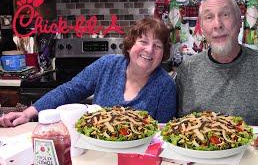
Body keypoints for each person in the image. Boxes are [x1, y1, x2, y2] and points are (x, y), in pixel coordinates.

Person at [0, 18, 177, 127]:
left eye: (157, 46)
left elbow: (161, 135)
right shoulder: (107, 65)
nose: (149, 50)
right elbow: (69, 90)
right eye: (143, 42)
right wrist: (28, 112)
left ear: (163, 54)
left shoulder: (165, 86)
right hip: (94, 151)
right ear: (130, 45)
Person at [176, 0, 258, 126]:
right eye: (209, 17)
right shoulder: (187, 69)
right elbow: (176, 127)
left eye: (225, 15)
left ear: (240, 22)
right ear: (202, 29)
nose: (217, 24)